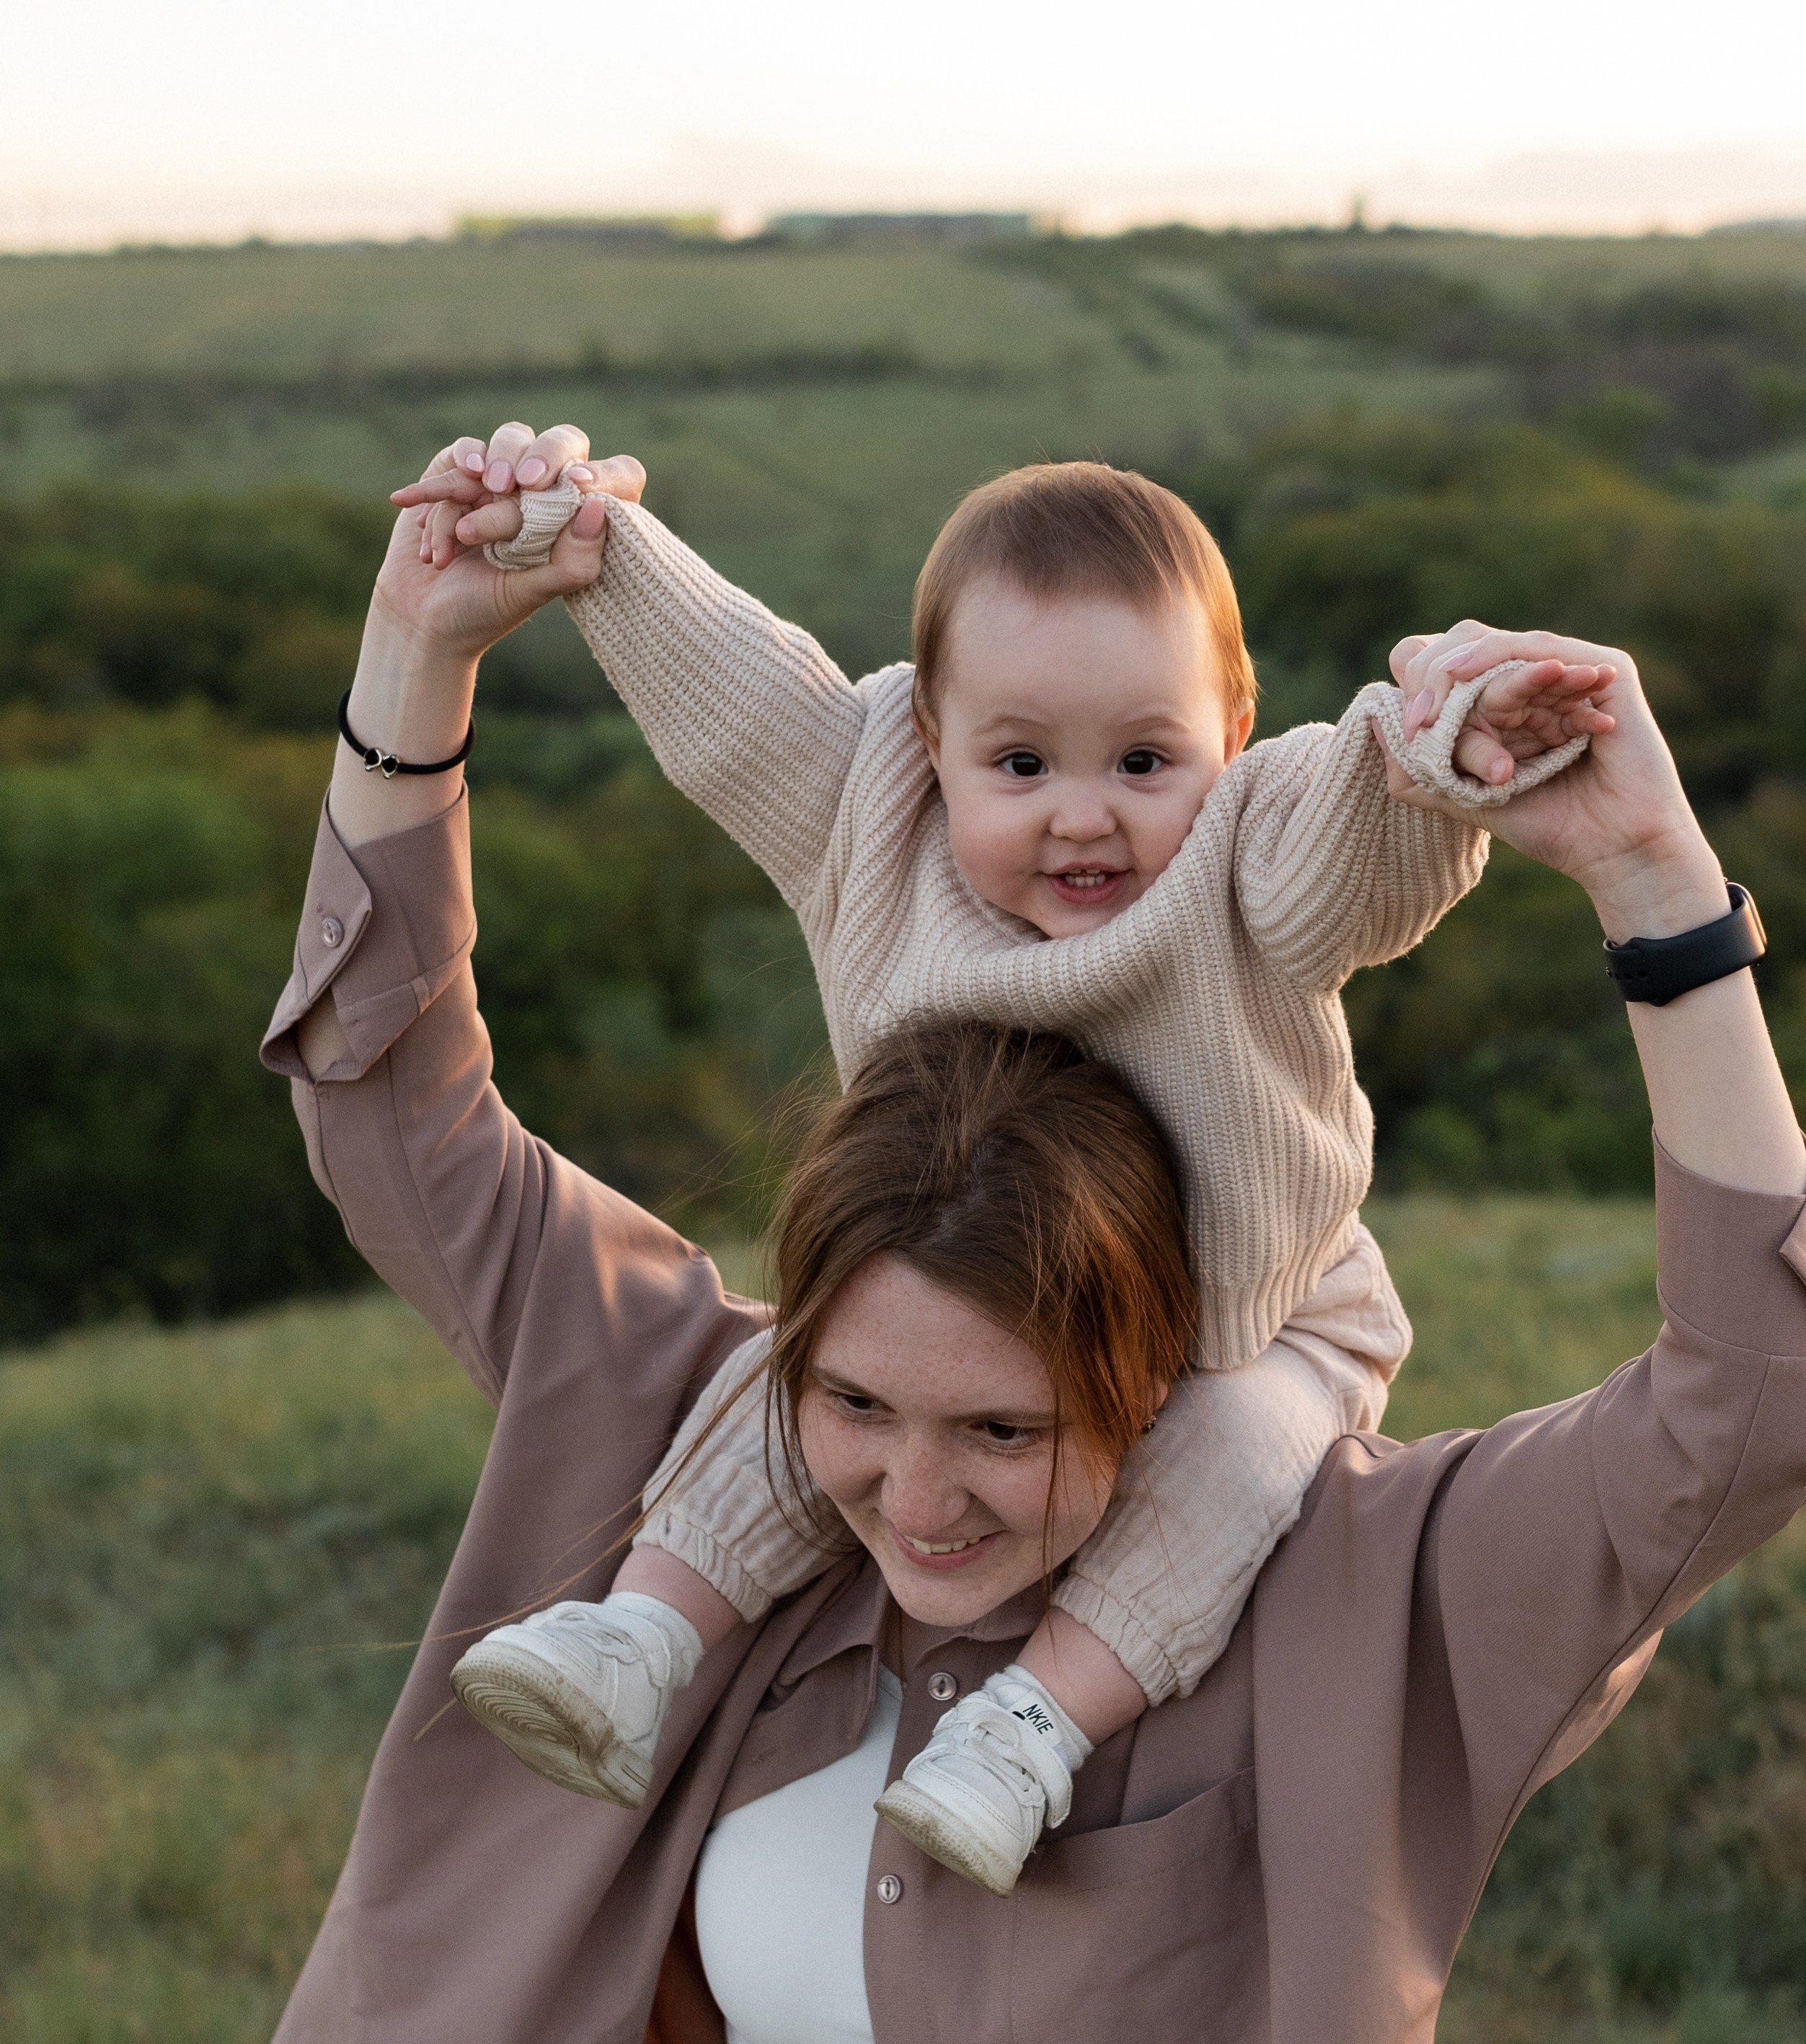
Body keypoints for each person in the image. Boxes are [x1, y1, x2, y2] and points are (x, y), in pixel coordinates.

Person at [180, 421, 1805, 2044]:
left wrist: (1654, 888)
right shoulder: (728, 1435)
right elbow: (391, 1105)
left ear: (1146, 1379)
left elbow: (1754, 1388)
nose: (911, 1499)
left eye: (1009, 1436)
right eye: (854, 1401)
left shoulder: (1357, 1592)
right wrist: (415, 663)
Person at [394, 436, 1611, 1895]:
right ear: (926, 737)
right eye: (1020, 761)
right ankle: (641, 1631)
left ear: (1230, 730)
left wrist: (1432, 760)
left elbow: (1352, 843)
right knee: (812, 1383)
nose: (1082, 813)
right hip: (967, 1305)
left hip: (1255, 1316)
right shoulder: (874, 819)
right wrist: (581, 537)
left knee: (1231, 1455)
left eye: (1145, 759)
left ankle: (1037, 1722)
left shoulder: (1243, 859)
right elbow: (737, 693)